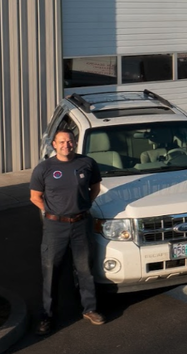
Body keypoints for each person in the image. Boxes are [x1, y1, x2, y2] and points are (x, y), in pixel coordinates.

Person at [29, 130, 105, 335]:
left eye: (70, 141)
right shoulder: (44, 168)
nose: (66, 145)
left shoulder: (87, 163)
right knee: (51, 271)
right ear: (54, 144)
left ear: (74, 143)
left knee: (85, 270)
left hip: (81, 224)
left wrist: (85, 204)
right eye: (62, 141)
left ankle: (89, 309)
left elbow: (95, 187)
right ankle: (47, 315)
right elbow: (35, 196)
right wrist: (51, 212)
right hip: (55, 227)